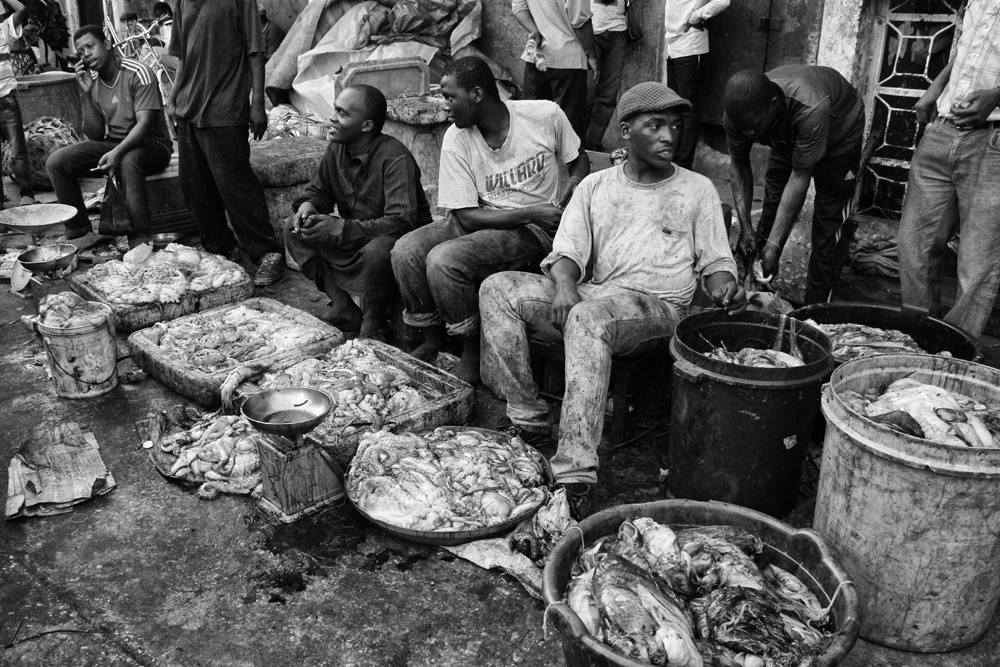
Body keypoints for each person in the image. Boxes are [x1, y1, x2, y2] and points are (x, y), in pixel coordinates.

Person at [480, 82, 745, 503]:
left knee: (589, 318)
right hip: (595, 292)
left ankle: (575, 472)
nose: (668, 136)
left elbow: (715, 263)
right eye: (655, 125)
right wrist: (565, 286)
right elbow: (566, 251)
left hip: (657, 308)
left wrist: (725, 288)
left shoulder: (697, 190)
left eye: (675, 127)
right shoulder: (595, 187)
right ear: (625, 132)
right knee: (499, 289)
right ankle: (527, 415)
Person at [391, 55, 590, 385]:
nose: (445, 106)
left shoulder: (544, 115)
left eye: (450, 96)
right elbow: (466, 216)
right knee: (406, 251)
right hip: (488, 216)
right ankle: (433, 339)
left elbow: (579, 160)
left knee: (445, 260)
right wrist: (530, 209)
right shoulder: (458, 137)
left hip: (536, 230)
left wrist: (574, 186)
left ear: (477, 95)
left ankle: (471, 350)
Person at [285, 84, 432, 339]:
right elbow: (319, 192)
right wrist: (308, 206)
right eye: (335, 109)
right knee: (293, 227)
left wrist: (338, 228)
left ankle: (373, 320)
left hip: (398, 245)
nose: (332, 118)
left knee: (379, 250)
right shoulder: (338, 147)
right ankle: (344, 308)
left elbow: (400, 222)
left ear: (366, 126)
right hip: (357, 235)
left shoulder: (394, 157)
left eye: (342, 113)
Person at [897, 0, 1000, 338]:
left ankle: (952, 352)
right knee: (915, 246)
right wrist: (936, 87)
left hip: (994, 141)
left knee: (976, 266)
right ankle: (918, 340)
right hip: (943, 128)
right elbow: (969, 47)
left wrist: (997, 96)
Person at [167, 0, 284, 286]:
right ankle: (221, 248)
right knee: (194, 186)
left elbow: (255, 52)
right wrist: (172, 98)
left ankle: (266, 253)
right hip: (188, 107)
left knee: (236, 186)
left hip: (225, 106)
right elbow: (182, 56)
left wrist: (257, 103)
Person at [725, 65, 864, 305]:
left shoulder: (810, 106)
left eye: (753, 126)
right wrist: (746, 226)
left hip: (840, 136)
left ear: (773, 104)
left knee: (827, 227)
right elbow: (739, 165)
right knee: (770, 210)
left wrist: (775, 246)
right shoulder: (739, 116)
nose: (747, 133)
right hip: (787, 134)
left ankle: (816, 309)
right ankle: (757, 296)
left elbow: (800, 176)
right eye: (742, 128)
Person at [46, 25, 173, 250]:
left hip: (152, 144)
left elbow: (144, 125)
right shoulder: (93, 81)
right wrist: (85, 94)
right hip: (115, 142)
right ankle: (79, 232)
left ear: (107, 44)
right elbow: (94, 133)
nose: (86, 54)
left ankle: (139, 239)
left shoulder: (138, 72)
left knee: (128, 160)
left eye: (90, 46)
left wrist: (117, 152)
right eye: (81, 51)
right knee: (57, 162)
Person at [512, 0, 598, 140]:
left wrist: (536, 32)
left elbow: (518, 8)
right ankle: (568, 162)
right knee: (568, 128)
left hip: (537, 56)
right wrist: (592, 56)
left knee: (532, 126)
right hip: (568, 59)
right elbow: (579, 21)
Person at [664, 0, 729, 169]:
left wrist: (697, 15)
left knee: (687, 106)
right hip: (672, 44)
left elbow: (723, 1)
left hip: (690, 44)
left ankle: (683, 163)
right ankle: (672, 160)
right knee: (674, 106)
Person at [0, 0, 36, 208]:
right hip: (7, 101)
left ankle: (27, 192)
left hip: (6, 99)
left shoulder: (4, 29)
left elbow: (21, 8)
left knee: (18, 150)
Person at [582, 0, 626, 151]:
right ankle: (577, 144)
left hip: (618, 30)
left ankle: (592, 143)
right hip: (591, 30)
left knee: (609, 95)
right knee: (586, 92)